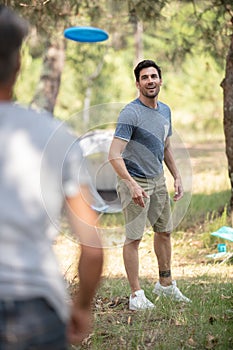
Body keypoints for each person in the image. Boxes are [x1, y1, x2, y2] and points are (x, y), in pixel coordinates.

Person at [0, 5, 103, 349]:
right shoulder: (55, 136)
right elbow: (91, 247)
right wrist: (82, 307)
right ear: (17, 65)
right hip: (33, 314)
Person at [108, 59, 190, 311]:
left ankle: (165, 285)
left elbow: (164, 146)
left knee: (164, 232)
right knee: (134, 238)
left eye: (153, 76)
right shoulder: (130, 113)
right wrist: (131, 185)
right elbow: (113, 154)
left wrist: (176, 175)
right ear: (138, 83)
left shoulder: (165, 111)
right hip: (135, 182)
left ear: (160, 80)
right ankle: (136, 296)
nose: (150, 81)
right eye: (144, 77)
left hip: (158, 181)